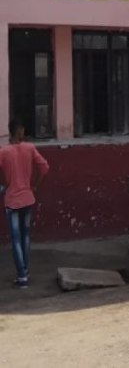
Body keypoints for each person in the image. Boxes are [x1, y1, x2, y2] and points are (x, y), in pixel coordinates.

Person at [1, 118, 50, 288]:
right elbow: (45, 168)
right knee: (26, 236)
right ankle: (25, 272)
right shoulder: (30, 148)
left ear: (10, 132)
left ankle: (22, 276)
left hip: (12, 201)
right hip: (28, 198)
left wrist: (4, 186)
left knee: (16, 239)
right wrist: (35, 185)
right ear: (21, 131)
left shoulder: (4, 152)